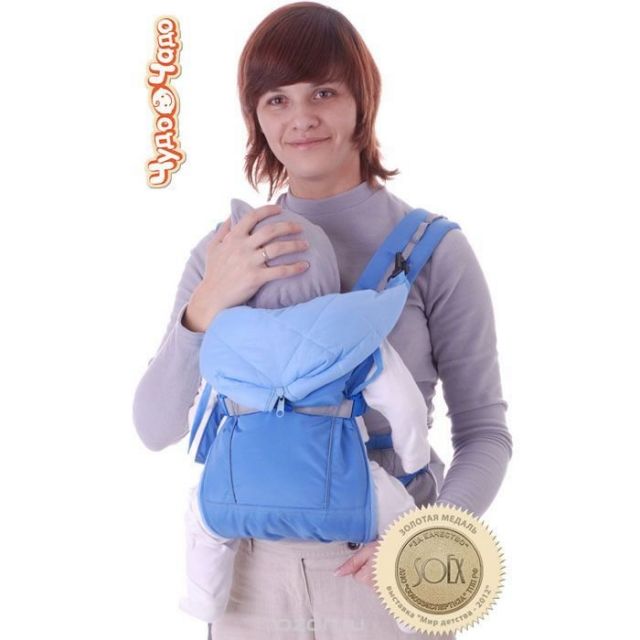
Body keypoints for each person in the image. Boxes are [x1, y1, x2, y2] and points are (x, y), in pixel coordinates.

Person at [132, 3, 513, 638]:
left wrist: (425, 539)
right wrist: (207, 303)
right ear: (255, 116)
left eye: (324, 92)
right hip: (248, 580)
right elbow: (154, 427)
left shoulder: (434, 250)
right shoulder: (225, 250)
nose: (301, 117)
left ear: (363, 100)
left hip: (386, 567)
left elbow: (485, 433)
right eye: (276, 99)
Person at [179, 198, 434, 635]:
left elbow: (202, 415)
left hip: (236, 493)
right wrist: (415, 463)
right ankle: (412, 617)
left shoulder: (226, 335)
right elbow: (405, 406)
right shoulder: (353, 331)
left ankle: (203, 598)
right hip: (344, 498)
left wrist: (207, 458)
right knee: (402, 517)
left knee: (201, 520)